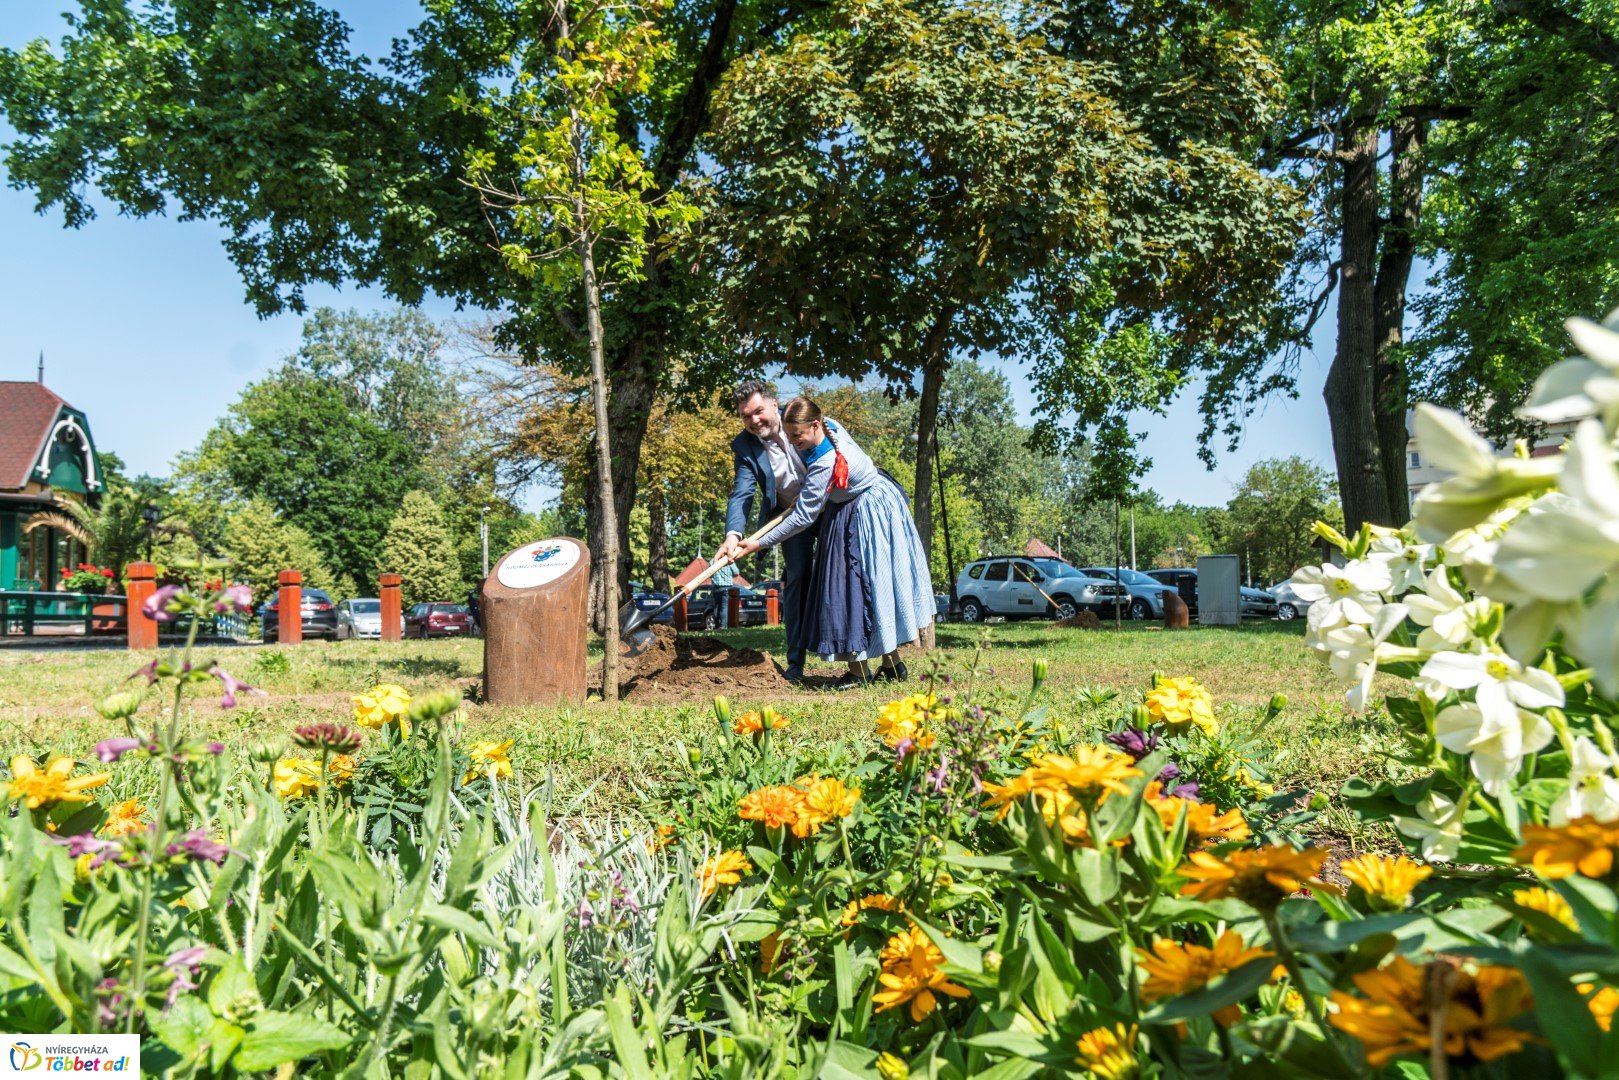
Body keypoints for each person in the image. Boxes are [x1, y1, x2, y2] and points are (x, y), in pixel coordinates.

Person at [732, 396, 934, 688]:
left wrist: (759, 542)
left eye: (797, 436)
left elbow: (803, 516)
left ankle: (859, 670)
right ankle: (893, 664)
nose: (793, 442)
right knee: (873, 588)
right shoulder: (831, 427)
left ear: (815, 425)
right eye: (789, 437)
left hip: (862, 513)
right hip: (867, 505)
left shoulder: (825, 461)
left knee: (848, 592)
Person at [716, 380, 815, 682]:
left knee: (846, 572)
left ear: (774, 404)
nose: (754, 420)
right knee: (797, 579)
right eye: (746, 416)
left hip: (830, 509)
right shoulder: (745, 447)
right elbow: (741, 494)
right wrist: (733, 534)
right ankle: (796, 662)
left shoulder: (801, 418)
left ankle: (877, 654)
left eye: (758, 411)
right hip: (791, 518)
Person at [710, 558, 734, 630]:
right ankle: (723, 626)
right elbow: (736, 572)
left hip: (716, 588)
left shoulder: (712, 561)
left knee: (716, 607)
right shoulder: (729, 560)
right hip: (727, 587)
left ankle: (716, 625)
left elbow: (709, 574)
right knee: (724, 607)